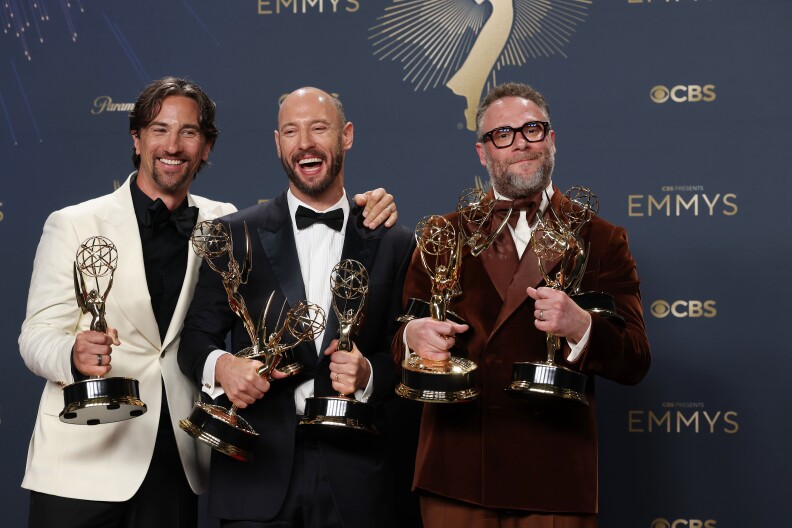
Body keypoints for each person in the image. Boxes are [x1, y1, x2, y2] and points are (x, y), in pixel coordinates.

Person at [18, 77, 397, 528]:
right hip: (82, 457)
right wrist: (73, 355)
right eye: (159, 130)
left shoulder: (226, 224)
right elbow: (35, 336)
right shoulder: (73, 224)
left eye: (189, 132)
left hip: (179, 460)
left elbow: (303, 214)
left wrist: (370, 207)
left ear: (207, 147)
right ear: (137, 140)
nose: (173, 145)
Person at [395, 82, 651, 528]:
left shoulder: (603, 239)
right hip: (456, 473)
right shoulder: (442, 235)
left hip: (553, 478)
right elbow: (399, 342)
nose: (520, 143)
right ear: (482, 152)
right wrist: (410, 338)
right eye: (503, 134)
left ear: (551, 139)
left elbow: (636, 360)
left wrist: (581, 326)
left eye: (532, 129)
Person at [177, 86, 417, 528]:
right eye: (291, 131)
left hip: (359, 480)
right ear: (277, 143)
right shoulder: (235, 235)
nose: (304, 142)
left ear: (346, 136)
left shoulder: (395, 240)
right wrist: (223, 367)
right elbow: (194, 339)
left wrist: (369, 375)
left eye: (318, 128)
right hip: (255, 474)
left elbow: (409, 353)